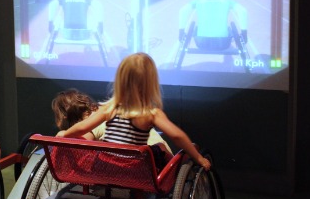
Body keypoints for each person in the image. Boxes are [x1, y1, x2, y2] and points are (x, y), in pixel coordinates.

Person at [57, 53, 211, 171]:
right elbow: (177, 136)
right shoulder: (151, 114)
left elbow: (82, 128)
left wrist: (65, 135)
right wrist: (199, 158)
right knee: (160, 147)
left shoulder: (108, 109)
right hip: (136, 170)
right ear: (151, 83)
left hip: (105, 168)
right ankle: (176, 168)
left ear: (120, 81)